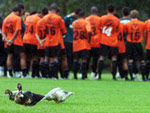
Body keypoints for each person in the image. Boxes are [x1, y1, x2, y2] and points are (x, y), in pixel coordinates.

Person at [2, 7, 28, 78]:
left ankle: (9, 74)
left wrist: (7, 40)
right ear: (17, 12)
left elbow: (3, 32)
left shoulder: (6, 19)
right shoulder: (17, 18)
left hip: (8, 42)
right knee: (22, 56)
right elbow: (17, 30)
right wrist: (12, 39)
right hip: (17, 41)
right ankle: (24, 74)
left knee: (9, 56)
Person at [43, 3, 67, 79]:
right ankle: (54, 75)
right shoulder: (58, 18)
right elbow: (64, 31)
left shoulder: (44, 18)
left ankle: (46, 75)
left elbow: (43, 30)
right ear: (56, 10)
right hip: (56, 41)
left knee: (47, 58)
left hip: (47, 41)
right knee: (56, 58)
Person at [98, 5, 120, 80]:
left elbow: (99, 28)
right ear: (114, 11)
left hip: (103, 40)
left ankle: (99, 76)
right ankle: (114, 76)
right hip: (113, 41)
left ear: (107, 10)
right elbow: (117, 30)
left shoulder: (102, 18)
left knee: (101, 57)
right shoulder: (116, 20)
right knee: (114, 58)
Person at [124, 10, 146, 81]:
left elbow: (126, 32)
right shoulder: (142, 24)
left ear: (130, 16)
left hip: (130, 43)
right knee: (142, 60)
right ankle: (143, 77)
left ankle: (132, 78)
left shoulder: (127, 24)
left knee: (130, 60)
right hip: (138, 43)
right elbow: (143, 32)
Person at [72, 10, 92, 80]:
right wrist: (89, 39)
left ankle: (75, 76)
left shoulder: (74, 23)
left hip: (76, 43)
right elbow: (89, 31)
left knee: (75, 60)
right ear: (84, 15)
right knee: (84, 60)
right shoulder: (86, 22)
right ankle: (84, 76)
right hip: (84, 44)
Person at [63, 8, 81, 77]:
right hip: (67, 41)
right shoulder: (67, 18)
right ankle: (66, 73)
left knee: (73, 58)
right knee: (67, 57)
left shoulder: (77, 20)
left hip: (75, 42)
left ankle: (71, 72)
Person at [23, 11, 41, 78]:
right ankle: (34, 74)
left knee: (27, 57)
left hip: (25, 39)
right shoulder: (38, 19)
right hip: (33, 40)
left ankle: (26, 73)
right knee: (35, 57)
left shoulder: (28, 18)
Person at [86, 6, 101, 80]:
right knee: (95, 59)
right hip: (97, 42)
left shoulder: (87, 19)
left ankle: (84, 73)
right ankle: (93, 73)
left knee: (87, 58)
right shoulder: (99, 19)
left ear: (91, 12)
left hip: (88, 42)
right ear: (97, 12)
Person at [114, 12, 129, 80]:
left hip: (114, 44)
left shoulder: (112, 25)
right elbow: (125, 34)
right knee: (124, 61)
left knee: (114, 60)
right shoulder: (122, 25)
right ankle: (125, 76)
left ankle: (114, 76)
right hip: (121, 45)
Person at [35, 7, 48, 78]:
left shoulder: (39, 22)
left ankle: (39, 74)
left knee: (41, 59)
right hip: (47, 43)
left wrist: (40, 41)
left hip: (39, 44)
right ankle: (45, 74)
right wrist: (43, 40)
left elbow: (36, 33)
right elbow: (49, 34)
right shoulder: (47, 22)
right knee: (46, 58)